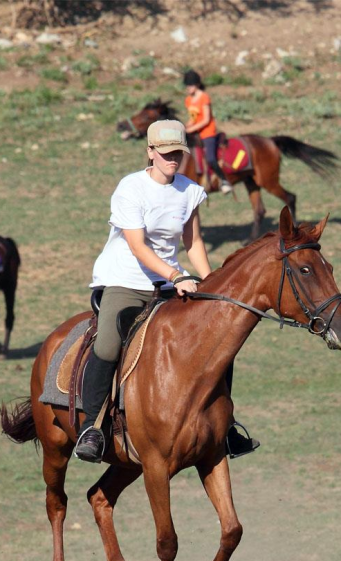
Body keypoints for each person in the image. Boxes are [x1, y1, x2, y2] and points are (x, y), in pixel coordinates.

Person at [74, 119, 259, 463]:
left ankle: (226, 427)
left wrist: (213, 286)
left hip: (169, 282)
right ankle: (92, 427)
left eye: (178, 152)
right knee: (109, 341)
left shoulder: (189, 190)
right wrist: (176, 276)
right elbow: (139, 247)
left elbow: (194, 242)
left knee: (219, 334)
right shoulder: (130, 188)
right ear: (150, 152)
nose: (174, 158)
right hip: (125, 280)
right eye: (166, 152)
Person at [183, 69, 233, 195]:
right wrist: (183, 127)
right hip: (196, 133)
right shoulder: (188, 100)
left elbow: (206, 119)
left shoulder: (204, 98)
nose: (188, 88)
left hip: (207, 133)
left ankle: (224, 180)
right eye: (187, 85)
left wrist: (191, 129)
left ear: (197, 85)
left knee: (210, 158)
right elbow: (192, 119)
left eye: (190, 85)